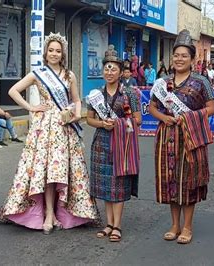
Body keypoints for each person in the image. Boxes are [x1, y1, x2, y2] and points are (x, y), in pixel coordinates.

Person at [0, 32, 99, 233]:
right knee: (42, 172)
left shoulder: (70, 75)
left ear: (63, 54)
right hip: (44, 128)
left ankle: (56, 213)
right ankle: (47, 214)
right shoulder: (38, 73)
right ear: (45, 52)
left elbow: (77, 99)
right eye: (51, 50)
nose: (54, 54)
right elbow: (13, 91)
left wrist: (76, 114)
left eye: (58, 51)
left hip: (64, 127)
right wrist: (31, 107)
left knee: (58, 172)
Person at [149, 29, 214, 245]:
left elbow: (212, 108)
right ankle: (174, 224)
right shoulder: (162, 82)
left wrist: (189, 118)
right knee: (170, 180)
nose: (179, 59)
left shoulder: (201, 82)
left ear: (192, 59)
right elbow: (151, 107)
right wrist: (164, 118)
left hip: (191, 137)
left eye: (184, 55)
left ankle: (187, 226)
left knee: (188, 181)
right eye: (176, 55)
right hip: (166, 135)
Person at [86, 45, 142, 242]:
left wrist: (117, 123)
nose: (109, 72)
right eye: (106, 68)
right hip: (101, 142)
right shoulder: (95, 95)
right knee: (105, 185)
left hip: (122, 144)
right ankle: (108, 224)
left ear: (120, 72)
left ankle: (117, 225)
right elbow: (89, 119)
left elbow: (138, 119)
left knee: (118, 184)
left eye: (113, 69)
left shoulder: (130, 94)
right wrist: (102, 123)